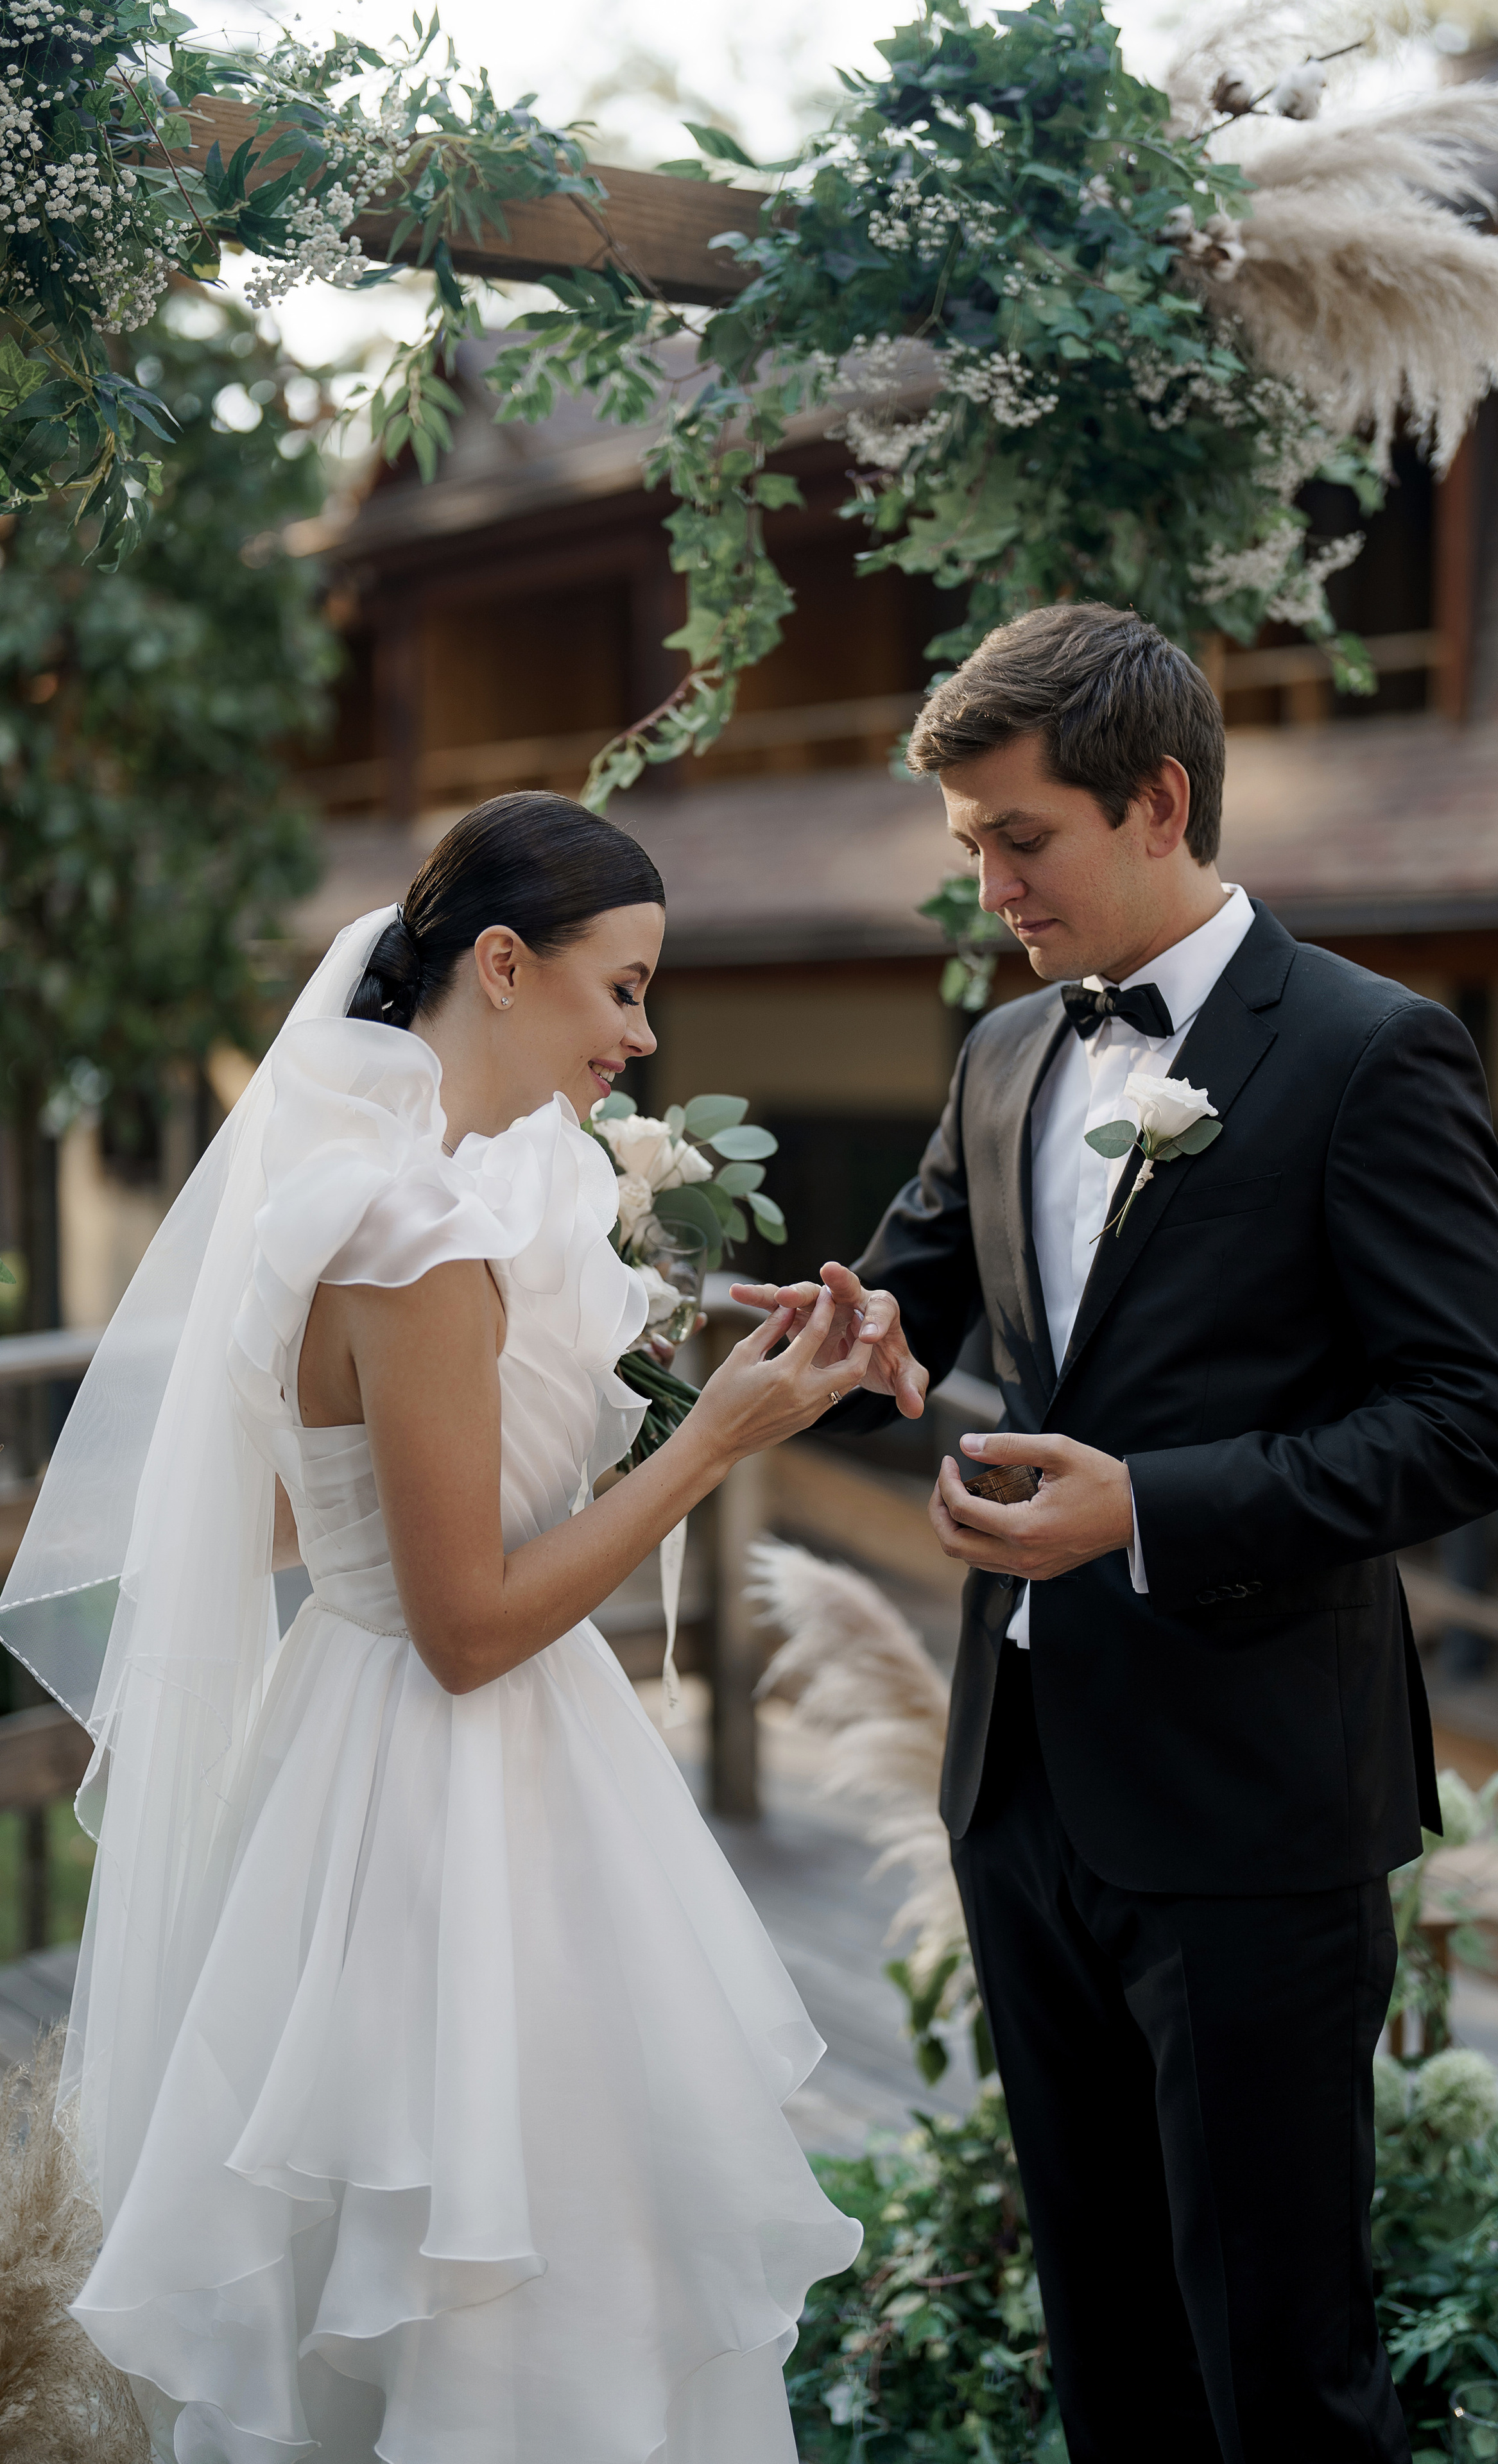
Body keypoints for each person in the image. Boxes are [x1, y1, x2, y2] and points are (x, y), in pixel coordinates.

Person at [732, 604, 1498, 2463]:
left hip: (1257, 1809)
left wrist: (1148, 1509)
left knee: (1282, 2369)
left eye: (1023, 840)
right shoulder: (1005, 1052)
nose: (995, 887)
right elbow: (920, 1307)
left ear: (1160, 799)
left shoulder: (1370, 1053)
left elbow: (1480, 1421)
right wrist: (847, 1336)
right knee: (1105, 2344)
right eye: (972, 851)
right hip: (1021, 1792)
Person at [4, 794, 871, 2464]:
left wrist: (695, 1345)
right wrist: (711, 1444)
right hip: (442, 1780)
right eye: (619, 987)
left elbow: (315, 1510)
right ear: (500, 963)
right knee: (516, 2265)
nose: (641, 1030)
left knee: (495, 2250)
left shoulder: (383, 1188)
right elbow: (467, 1626)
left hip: (365, 1742)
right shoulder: (411, 1237)